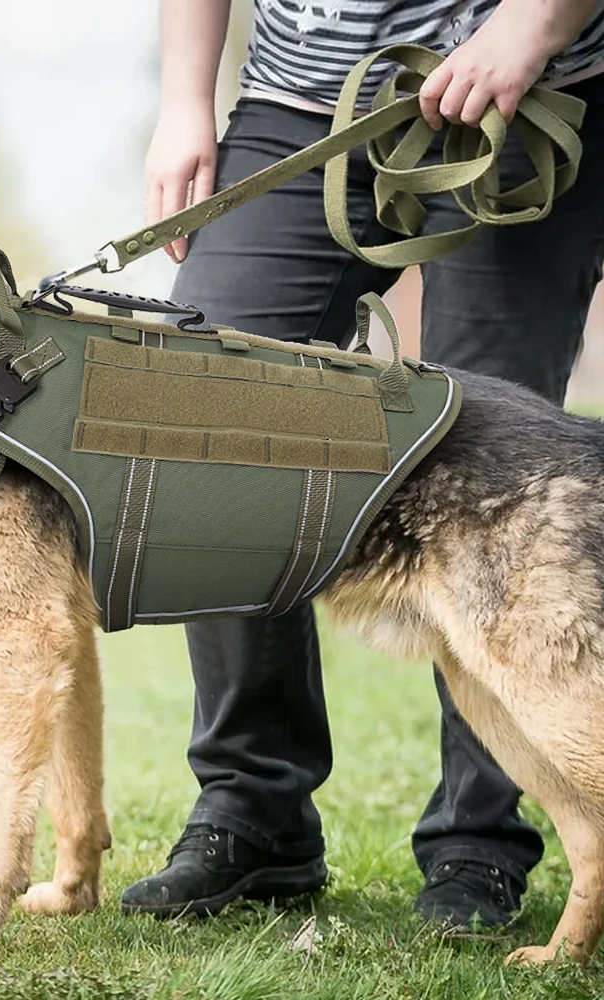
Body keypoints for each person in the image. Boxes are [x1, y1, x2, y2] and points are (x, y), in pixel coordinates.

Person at [121, 0, 604, 926]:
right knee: (206, 426)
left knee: (499, 479)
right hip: (294, 97)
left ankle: (478, 847)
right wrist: (185, 98)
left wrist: (536, 25)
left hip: (523, 83)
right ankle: (254, 813)